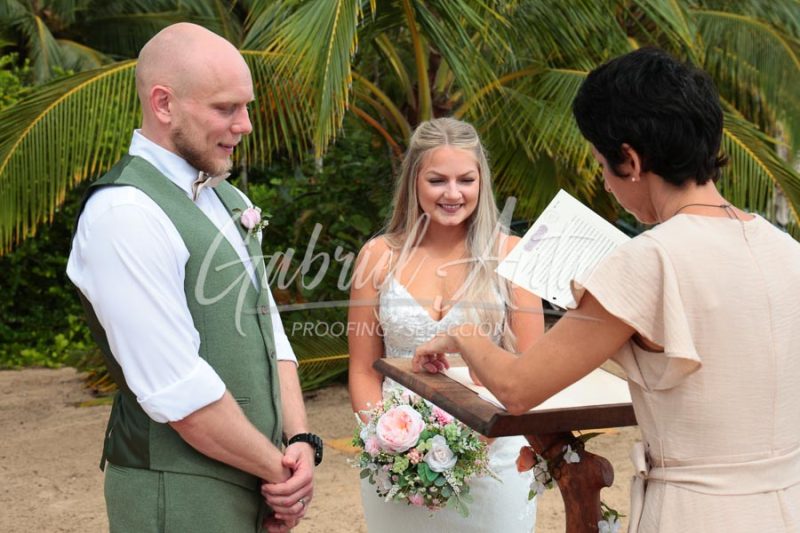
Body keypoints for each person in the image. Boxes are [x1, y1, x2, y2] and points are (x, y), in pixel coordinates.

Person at [413, 48, 800, 532]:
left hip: (697, 513)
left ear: (630, 160)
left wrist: (463, 333)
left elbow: (517, 389)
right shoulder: (785, 249)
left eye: (601, 164)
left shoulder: (650, 260)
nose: (607, 184)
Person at [67, 23, 322, 533]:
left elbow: (268, 330)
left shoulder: (230, 198)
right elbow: (178, 390)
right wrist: (280, 476)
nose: (245, 125)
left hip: (252, 476)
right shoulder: (125, 213)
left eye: (246, 106)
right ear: (163, 104)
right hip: (178, 495)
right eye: (226, 108)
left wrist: (300, 441)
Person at [348, 117, 544, 532]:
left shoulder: (513, 256)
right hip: (398, 460)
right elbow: (364, 369)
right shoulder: (377, 256)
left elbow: (531, 370)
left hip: (495, 456)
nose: (453, 194)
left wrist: (473, 449)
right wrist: (385, 444)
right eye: (437, 180)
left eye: (466, 180)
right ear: (414, 181)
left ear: (481, 182)